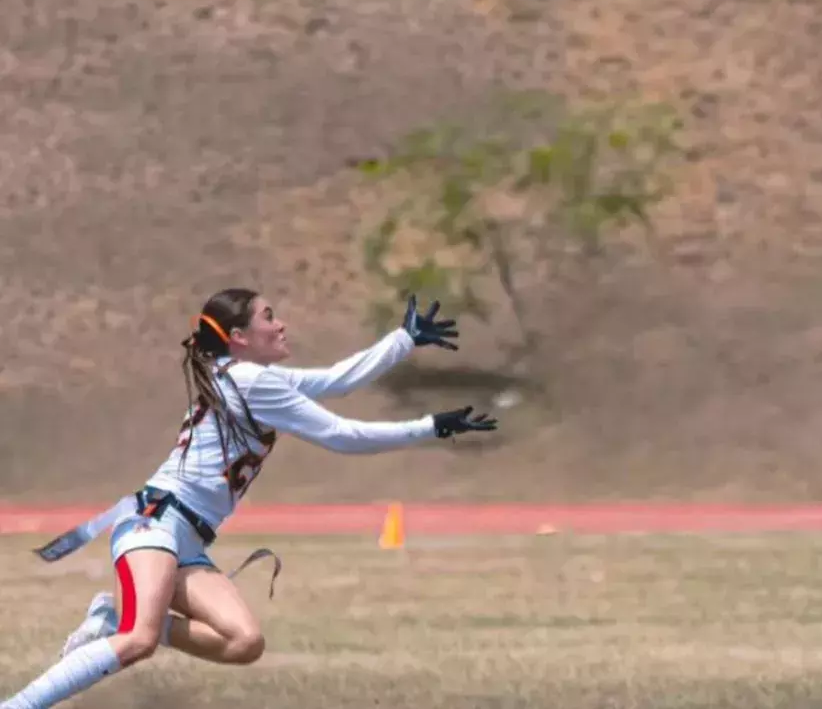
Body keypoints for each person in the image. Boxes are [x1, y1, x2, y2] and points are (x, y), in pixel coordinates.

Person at [3, 289, 498, 709]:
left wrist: (402, 340)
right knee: (137, 641)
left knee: (243, 642)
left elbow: (335, 380)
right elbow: (344, 436)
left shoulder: (254, 378)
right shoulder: (249, 379)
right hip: (155, 521)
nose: (281, 325)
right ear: (239, 338)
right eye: (268, 317)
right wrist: (429, 427)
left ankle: (111, 620)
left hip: (188, 537)